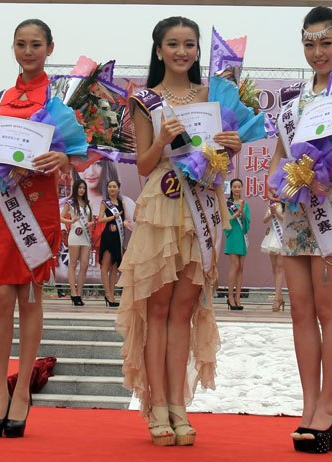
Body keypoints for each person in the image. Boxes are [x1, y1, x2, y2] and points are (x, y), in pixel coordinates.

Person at [116, 16, 243, 446]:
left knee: (183, 312)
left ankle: (177, 405)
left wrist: (231, 149)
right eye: (173, 44)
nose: (182, 51)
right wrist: (161, 140)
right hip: (162, 208)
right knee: (157, 311)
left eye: (189, 44)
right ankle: (154, 406)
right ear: (158, 51)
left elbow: (221, 163)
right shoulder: (146, 101)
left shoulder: (213, 98)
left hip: (201, 209)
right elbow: (144, 166)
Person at [0, 18, 87, 439]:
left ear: (50, 48)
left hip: (36, 207)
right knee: (1, 294)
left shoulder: (61, 101)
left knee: (30, 295)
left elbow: (75, 154)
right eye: (21, 44)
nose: (28, 52)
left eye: (35, 44)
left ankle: (22, 391)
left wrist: (64, 161)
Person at [266, 7, 332, 453]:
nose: (318, 52)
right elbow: (278, 153)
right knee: (300, 311)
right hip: (293, 207)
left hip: (331, 205)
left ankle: (330, 403)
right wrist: (274, 186)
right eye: (309, 43)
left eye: (326, 43)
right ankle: (308, 405)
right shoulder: (292, 97)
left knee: (330, 312)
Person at [97, 179, 131, 307]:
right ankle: (108, 294)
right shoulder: (105, 203)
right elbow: (100, 219)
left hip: (118, 237)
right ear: (107, 189)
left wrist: (125, 223)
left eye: (114, 186)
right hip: (108, 236)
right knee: (106, 266)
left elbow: (124, 220)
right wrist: (113, 217)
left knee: (115, 268)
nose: (111, 188)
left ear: (118, 189)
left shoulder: (121, 203)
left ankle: (112, 294)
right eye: (109, 186)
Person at [60, 179, 93, 306]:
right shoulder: (70, 203)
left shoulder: (87, 203)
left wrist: (91, 223)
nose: (81, 190)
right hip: (74, 235)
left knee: (84, 265)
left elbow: (90, 221)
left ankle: (79, 293)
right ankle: (73, 294)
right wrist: (71, 221)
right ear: (75, 189)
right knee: (73, 264)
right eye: (79, 187)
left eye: (83, 188)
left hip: (85, 236)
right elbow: (61, 217)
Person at [224, 178, 250, 310]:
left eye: (239, 186)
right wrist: (236, 214)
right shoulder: (227, 203)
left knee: (241, 268)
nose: (237, 189)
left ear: (242, 188)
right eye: (235, 186)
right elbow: (226, 221)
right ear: (231, 188)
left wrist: (243, 214)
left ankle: (238, 298)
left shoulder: (244, 203)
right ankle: (230, 297)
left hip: (242, 237)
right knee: (234, 266)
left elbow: (247, 223)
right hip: (232, 236)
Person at [260, 200, 285, 312]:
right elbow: (265, 220)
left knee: (280, 267)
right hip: (272, 236)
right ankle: (279, 295)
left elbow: (286, 219)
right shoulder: (272, 204)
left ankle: (276, 299)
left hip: (282, 236)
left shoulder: (287, 202)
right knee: (274, 268)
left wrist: (276, 213)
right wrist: (271, 213)